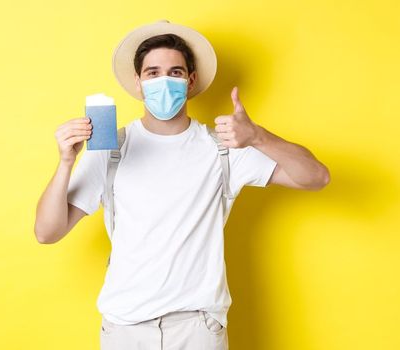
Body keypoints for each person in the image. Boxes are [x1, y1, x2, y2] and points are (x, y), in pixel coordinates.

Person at [33, 20, 331, 350]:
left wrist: (259, 137)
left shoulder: (224, 148)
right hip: (125, 328)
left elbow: (316, 178)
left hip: (198, 328)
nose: (164, 81)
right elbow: (47, 232)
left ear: (190, 81)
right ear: (139, 82)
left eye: (174, 73)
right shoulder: (111, 149)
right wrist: (65, 162)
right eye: (153, 72)